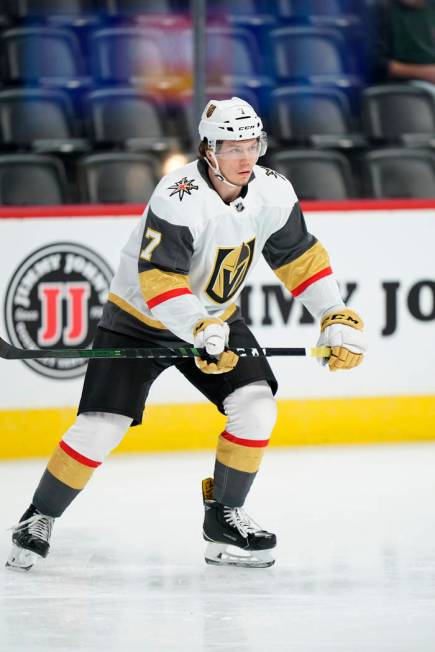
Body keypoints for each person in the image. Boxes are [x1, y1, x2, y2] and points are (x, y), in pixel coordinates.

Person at [6, 97, 367, 571]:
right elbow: (160, 279)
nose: (245, 157)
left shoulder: (273, 191)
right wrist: (198, 327)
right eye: (231, 146)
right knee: (100, 427)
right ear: (208, 150)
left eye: (252, 144)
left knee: (256, 406)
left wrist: (333, 313)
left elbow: (299, 257)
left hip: (216, 318)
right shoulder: (176, 195)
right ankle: (38, 517)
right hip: (140, 319)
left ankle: (224, 520)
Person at [373, 0, 435, 84]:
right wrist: (424, 73)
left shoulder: (431, 7)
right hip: (407, 85)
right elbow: (377, 64)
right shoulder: (383, 9)